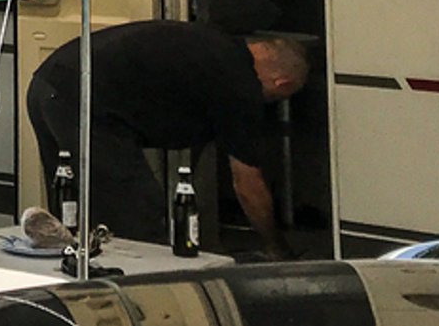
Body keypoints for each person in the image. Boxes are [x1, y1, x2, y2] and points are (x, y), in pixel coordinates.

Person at [26, 20, 308, 258]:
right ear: (281, 83)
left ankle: (74, 285)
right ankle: (144, 295)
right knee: (137, 212)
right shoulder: (238, 85)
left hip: (47, 83)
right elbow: (247, 183)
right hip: (83, 100)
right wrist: (275, 245)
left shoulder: (214, 46)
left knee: (70, 207)